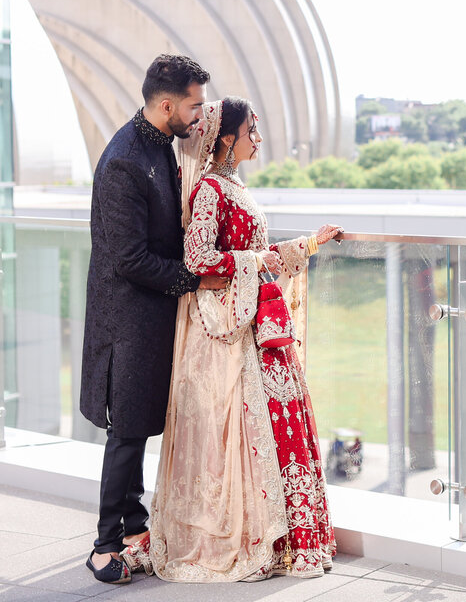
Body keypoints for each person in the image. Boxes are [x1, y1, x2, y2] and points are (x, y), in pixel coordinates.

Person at [123, 96, 342, 582]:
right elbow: (199, 259)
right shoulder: (208, 191)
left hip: (251, 318)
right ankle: (238, 537)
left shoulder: (233, 186)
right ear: (227, 138)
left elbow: (254, 253)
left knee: (278, 421)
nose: (258, 141)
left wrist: (307, 244)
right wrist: (254, 263)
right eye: (251, 133)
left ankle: (285, 537)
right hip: (222, 331)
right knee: (235, 432)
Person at [80, 55, 227, 584]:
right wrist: (197, 278)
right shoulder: (124, 159)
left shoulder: (160, 145)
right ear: (167, 104)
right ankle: (103, 544)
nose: (198, 114)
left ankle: (136, 523)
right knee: (127, 429)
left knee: (141, 426)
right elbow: (129, 259)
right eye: (193, 105)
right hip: (127, 319)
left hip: (152, 312)